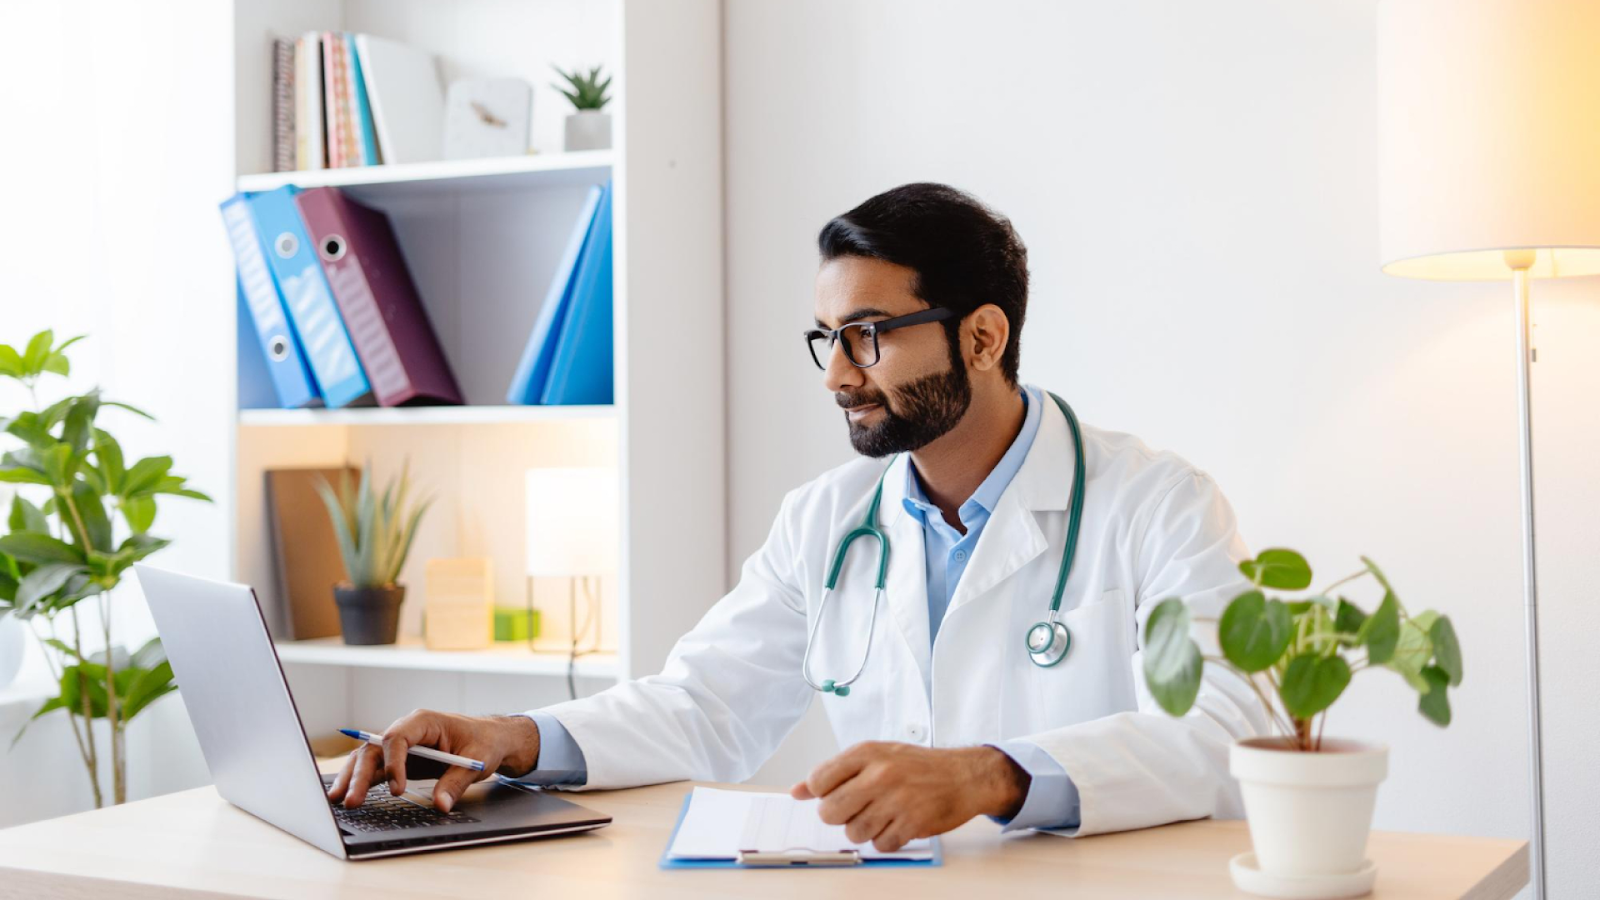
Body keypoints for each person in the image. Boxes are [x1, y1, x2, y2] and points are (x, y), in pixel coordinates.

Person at [328, 182, 1266, 850]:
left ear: (983, 337)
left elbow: (1227, 733)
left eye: (868, 336)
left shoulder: (1156, 505)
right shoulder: (827, 519)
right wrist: (514, 737)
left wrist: (991, 773)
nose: (837, 376)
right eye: (828, 339)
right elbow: (703, 706)